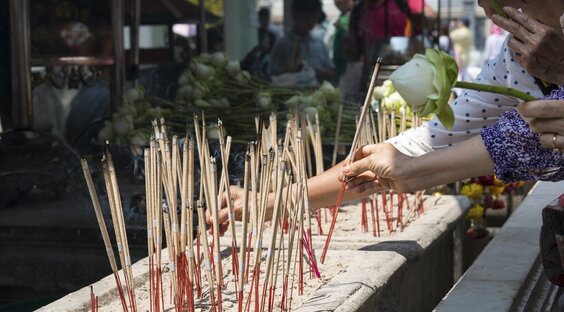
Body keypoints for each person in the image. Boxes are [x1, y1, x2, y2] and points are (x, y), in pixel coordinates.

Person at [210, 1, 564, 231]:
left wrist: (413, 173)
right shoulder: (510, 62)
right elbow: (420, 144)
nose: (500, 17)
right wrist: (272, 202)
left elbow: (528, 136)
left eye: (511, 3)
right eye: (487, 5)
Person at [268, 0, 334, 84]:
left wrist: (316, 73)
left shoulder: (319, 43)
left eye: (314, 19)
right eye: (306, 19)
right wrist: (294, 71)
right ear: (295, 15)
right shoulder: (283, 44)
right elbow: (272, 75)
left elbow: (331, 72)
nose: (311, 23)